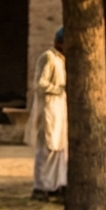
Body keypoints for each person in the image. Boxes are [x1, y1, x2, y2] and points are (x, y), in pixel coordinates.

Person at [27, 27, 68, 200]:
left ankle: (57, 184)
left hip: (61, 107)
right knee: (47, 147)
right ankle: (41, 186)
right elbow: (40, 84)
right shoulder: (48, 58)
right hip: (49, 107)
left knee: (60, 148)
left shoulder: (63, 60)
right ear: (59, 42)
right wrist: (60, 88)